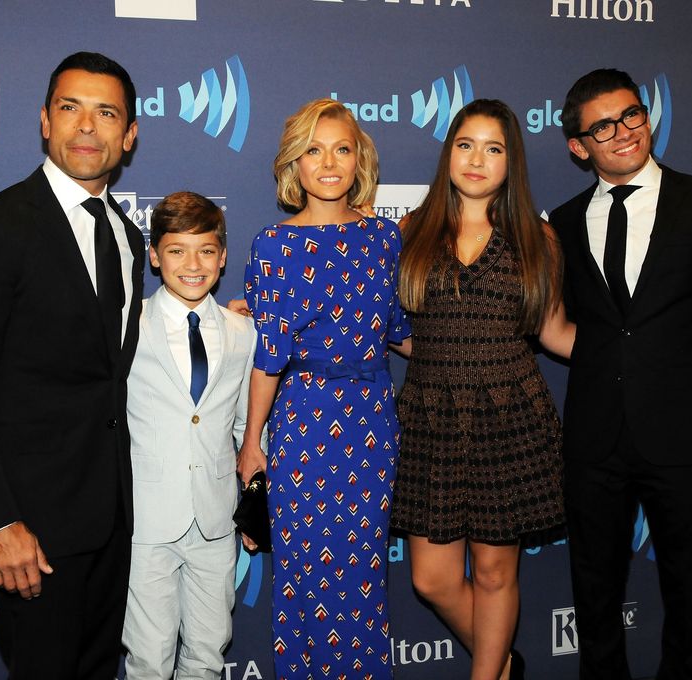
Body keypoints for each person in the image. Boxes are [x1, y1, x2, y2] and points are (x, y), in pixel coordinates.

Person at [0, 52, 143, 679]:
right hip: (30, 528)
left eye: (106, 114)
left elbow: (107, 378)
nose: (86, 127)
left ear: (128, 136)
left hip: (110, 519)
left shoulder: (128, 238)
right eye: (70, 108)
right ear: (45, 121)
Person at [549, 68, 692, 680]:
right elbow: (558, 323)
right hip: (594, 437)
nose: (623, 131)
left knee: (691, 589)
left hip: (681, 434)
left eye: (632, 115)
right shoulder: (561, 224)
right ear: (578, 146)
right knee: (593, 592)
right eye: (603, 126)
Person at [391, 99, 574, 680]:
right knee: (432, 578)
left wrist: (639, 345)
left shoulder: (536, 239)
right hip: (430, 417)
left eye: (493, 148)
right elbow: (382, 326)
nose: (477, 159)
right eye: (465, 144)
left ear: (510, 161)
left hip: (510, 416)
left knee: (496, 572)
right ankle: (502, 667)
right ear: (449, 153)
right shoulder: (408, 232)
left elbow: (555, 332)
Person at [236, 98, 410, 680]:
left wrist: (479, 337)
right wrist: (252, 442)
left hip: (371, 425)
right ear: (295, 164)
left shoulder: (386, 238)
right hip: (303, 423)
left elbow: (400, 333)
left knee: (361, 579)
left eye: (342, 148)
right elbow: (268, 356)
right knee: (304, 578)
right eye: (314, 150)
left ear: (360, 159)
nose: (329, 163)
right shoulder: (272, 244)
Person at [122, 191, 257, 679]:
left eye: (206, 250)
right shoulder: (126, 325)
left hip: (216, 519)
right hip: (147, 522)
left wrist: (252, 508)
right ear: (155, 256)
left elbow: (246, 429)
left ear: (223, 256)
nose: (193, 264)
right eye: (177, 250)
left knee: (207, 652)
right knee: (148, 657)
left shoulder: (244, 333)